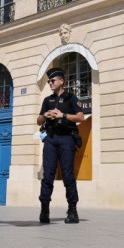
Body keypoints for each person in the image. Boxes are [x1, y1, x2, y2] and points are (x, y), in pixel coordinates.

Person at [37, 67, 86, 224]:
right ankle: (44, 210)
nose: (50, 83)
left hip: (67, 138)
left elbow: (81, 117)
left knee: (68, 174)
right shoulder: (47, 100)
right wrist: (45, 115)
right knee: (47, 175)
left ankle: (72, 211)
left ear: (61, 81)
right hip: (51, 138)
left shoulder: (71, 98)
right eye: (49, 81)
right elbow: (38, 120)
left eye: (52, 80)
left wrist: (62, 115)